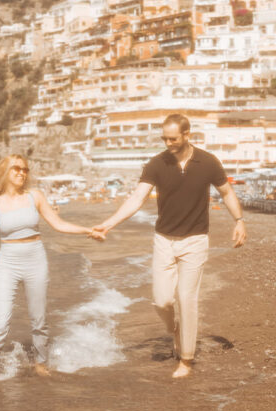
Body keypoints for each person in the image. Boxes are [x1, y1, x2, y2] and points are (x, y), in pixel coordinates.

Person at [91, 114, 247, 379]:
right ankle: (176, 329)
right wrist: (108, 224)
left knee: (187, 299)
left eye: (173, 138)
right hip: (164, 239)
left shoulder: (208, 162)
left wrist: (239, 221)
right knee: (161, 300)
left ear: (187, 135)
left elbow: (227, 193)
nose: (168, 143)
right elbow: (137, 198)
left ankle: (185, 359)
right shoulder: (157, 163)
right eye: (164, 138)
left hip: (196, 240)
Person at [0, 154, 100, 386]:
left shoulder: (35, 196)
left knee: (39, 318)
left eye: (25, 169)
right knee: (1, 320)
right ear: (4, 171)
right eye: (16, 169)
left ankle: (41, 363)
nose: (21, 173)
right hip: (7, 263)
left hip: (35, 258)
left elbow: (58, 224)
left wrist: (88, 230)